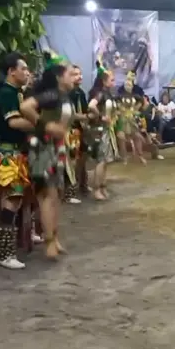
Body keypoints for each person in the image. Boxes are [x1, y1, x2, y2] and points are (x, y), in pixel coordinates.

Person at [0, 52, 33, 269]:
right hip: (9, 157)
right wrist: (41, 125)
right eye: (23, 68)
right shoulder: (8, 92)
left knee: (13, 201)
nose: (27, 72)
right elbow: (13, 122)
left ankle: (7, 249)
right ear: (11, 71)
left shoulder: (16, 92)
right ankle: (4, 254)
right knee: (12, 200)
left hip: (15, 155)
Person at [19, 51, 74, 260]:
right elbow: (25, 107)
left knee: (55, 195)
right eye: (70, 74)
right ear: (59, 77)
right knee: (47, 196)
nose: (74, 77)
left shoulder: (62, 96)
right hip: (42, 148)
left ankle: (54, 238)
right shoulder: (51, 95)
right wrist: (47, 126)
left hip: (55, 148)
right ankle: (49, 242)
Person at [87, 64, 118, 201]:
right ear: (104, 81)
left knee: (105, 161)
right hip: (100, 130)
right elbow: (91, 105)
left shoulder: (107, 93)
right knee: (101, 160)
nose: (114, 82)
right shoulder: (99, 93)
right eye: (112, 80)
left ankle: (103, 186)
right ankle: (96, 189)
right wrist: (101, 117)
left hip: (106, 130)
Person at [67, 65, 90, 200]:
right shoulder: (67, 93)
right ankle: (70, 192)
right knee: (73, 160)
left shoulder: (80, 92)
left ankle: (83, 184)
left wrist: (88, 118)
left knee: (83, 158)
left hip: (81, 129)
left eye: (80, 74)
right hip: (70, 130)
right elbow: (70, 114)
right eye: (75, 74)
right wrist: (86, 117)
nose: (79, 76)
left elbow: (85, 111)